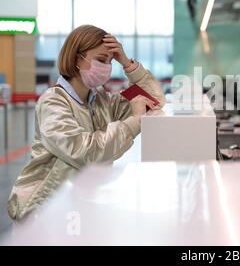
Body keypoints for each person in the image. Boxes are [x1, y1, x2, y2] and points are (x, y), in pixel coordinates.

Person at [8, 25, 166, 221]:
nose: (107, 67)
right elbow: (84, 152)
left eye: (110, 62)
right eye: (101, 60)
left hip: (76, 206)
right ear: (76, 59)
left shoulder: (101, 100)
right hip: (42, 211)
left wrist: (126, 63)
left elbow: (155, 100)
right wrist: (134, 122)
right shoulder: (53, 101)